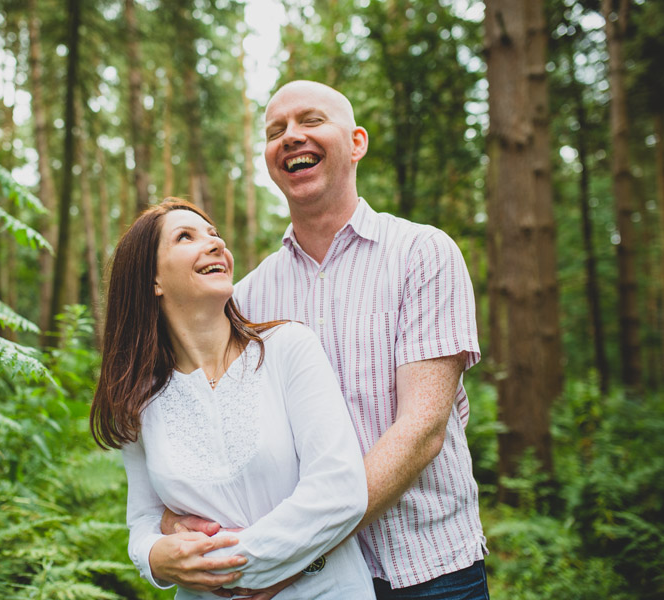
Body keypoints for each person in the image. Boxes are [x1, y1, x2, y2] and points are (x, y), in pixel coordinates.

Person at [154, 80, 489, 599]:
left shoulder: (423, 253)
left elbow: (422, 430)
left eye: (310, 121)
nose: (290, 136)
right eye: (275, 131)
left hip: (428, 569)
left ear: (356, 143)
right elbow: (216, 434)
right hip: (306, 587)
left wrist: (297, 547)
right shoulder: (245, 297)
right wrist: (172, 527)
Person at [90, 199, 377, 599]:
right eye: (185, 237)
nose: (214, 244)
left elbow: (340, 491)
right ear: (152, 280)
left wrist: (234, 564)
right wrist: (155, 557)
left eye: (214, 235)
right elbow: (144, 520)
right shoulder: (137, 399)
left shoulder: (288, 349)